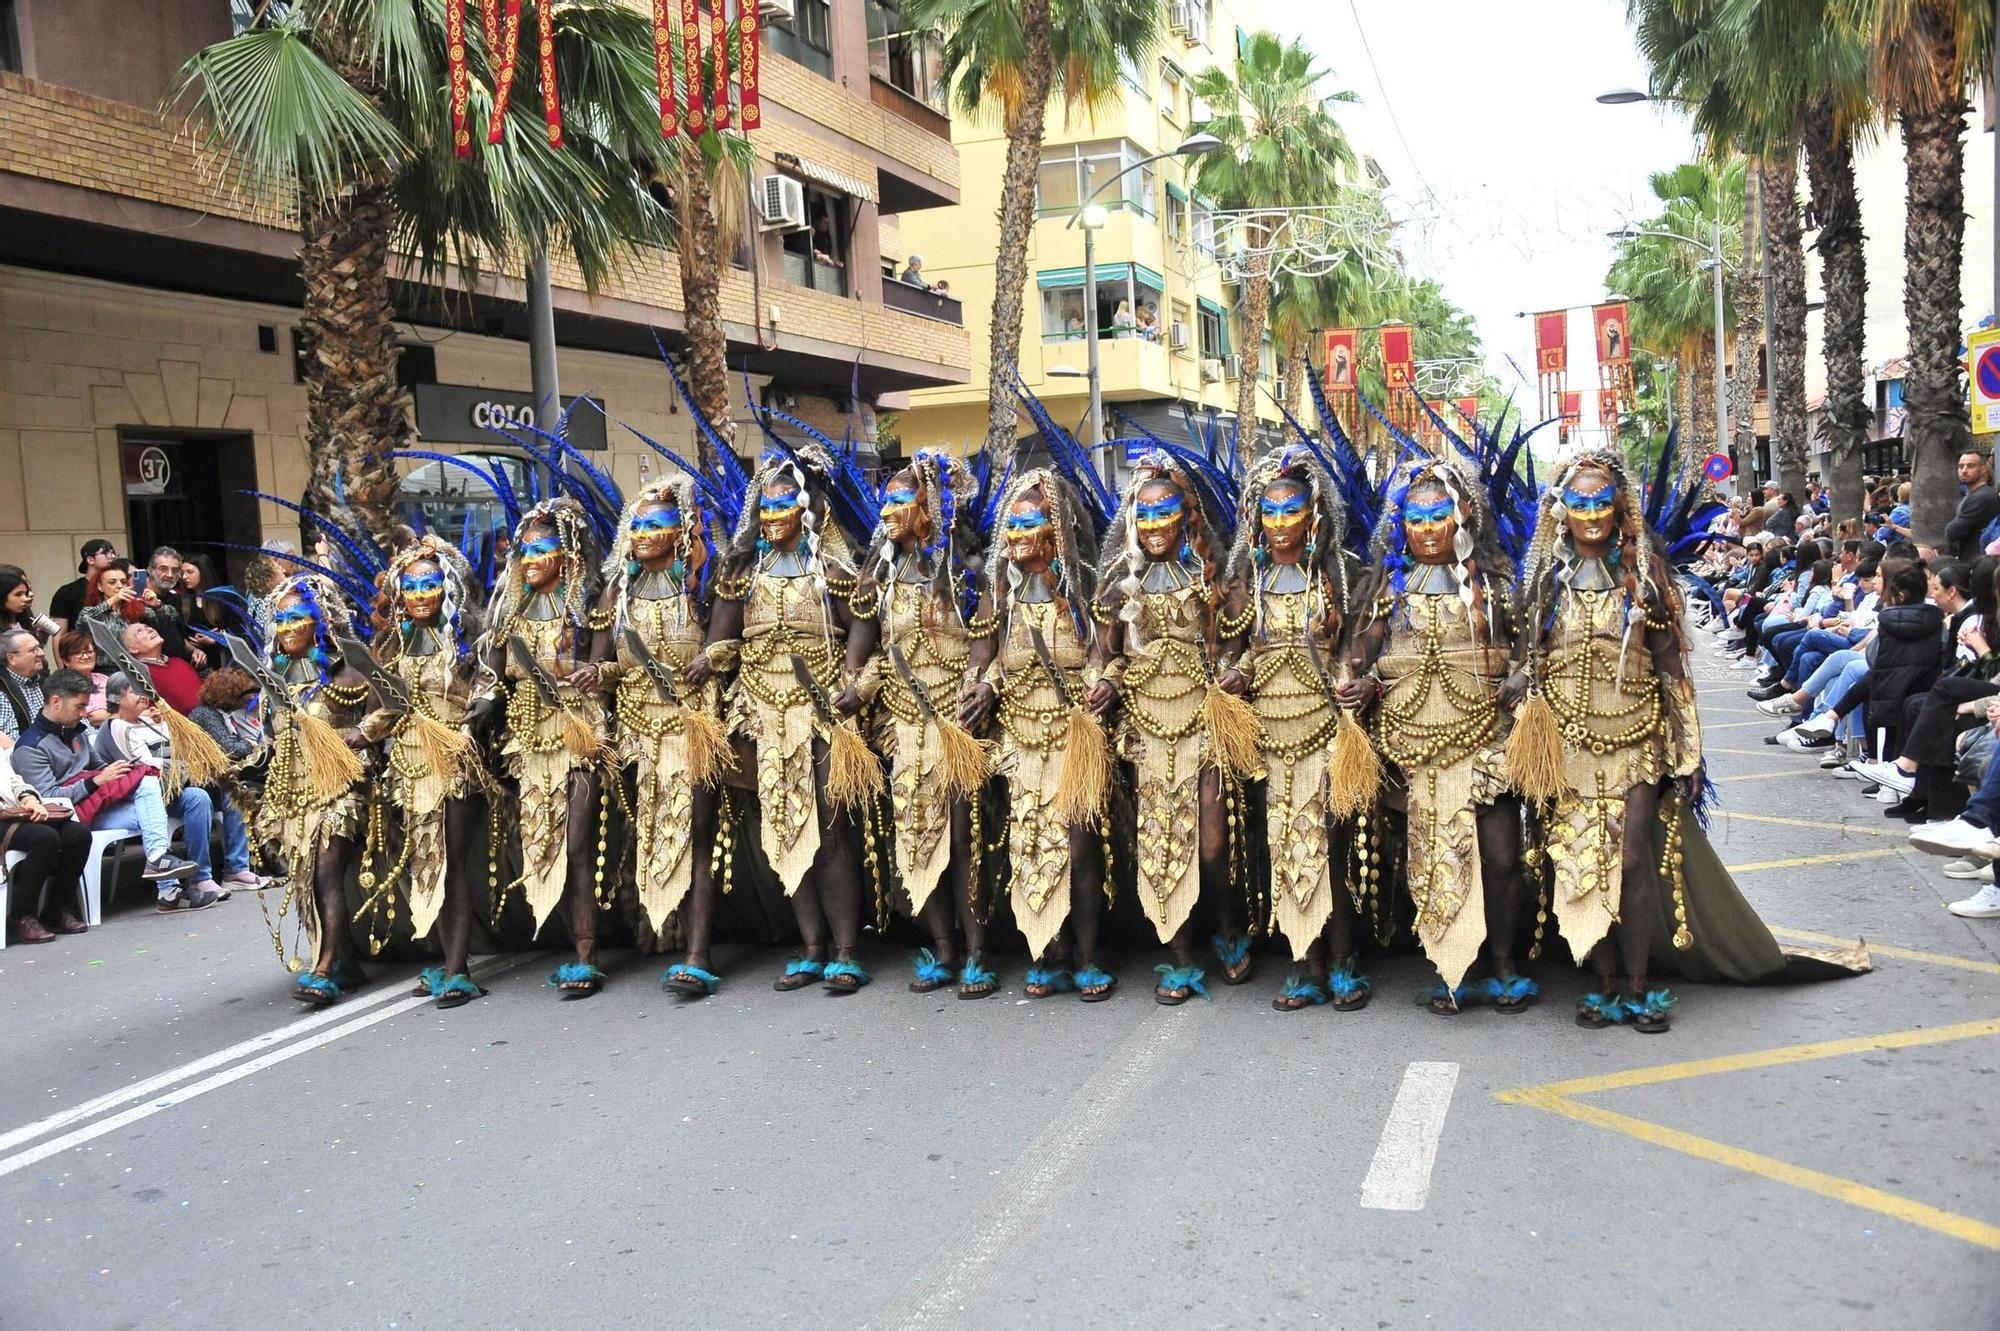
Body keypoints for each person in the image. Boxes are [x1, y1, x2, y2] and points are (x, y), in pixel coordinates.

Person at [1513, 450, 1704, 1032]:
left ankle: (1641, 985)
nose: (1591, 513)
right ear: (1561, 511)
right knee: (1580, 862)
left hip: (1635, 735)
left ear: (1620, 506)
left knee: (1632, 861)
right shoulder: (1547, 579)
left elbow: (1671, 662)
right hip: (1566, 742)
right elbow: (1531, 658)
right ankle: (1604, 984)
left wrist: (1690, 745)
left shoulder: (1643, 576)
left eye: (1601, 501)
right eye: (1579, 502)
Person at [1343, 456, 1531, 1014]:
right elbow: (1365, 654)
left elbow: (1530, 646)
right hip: (1414, 744)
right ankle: (1453, 968)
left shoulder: (1496, 584)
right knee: (1430, 857)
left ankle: (1505, 965)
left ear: (1464, 514)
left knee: (1500, 856)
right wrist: (1365, 680)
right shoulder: (1387, 588)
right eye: (1415, 518)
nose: (1427, 529)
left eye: (1439, 515)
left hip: (1485, 738)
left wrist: (1524, 674)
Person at [702, 448, 877, 993]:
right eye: (766, 506)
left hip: (820, 712)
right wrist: (705, 660)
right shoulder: (742, 571)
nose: (774, 515)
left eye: (785, 504)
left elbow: (862, 630)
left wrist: (851, 682)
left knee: (828, 829)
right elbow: (722, 638)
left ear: (810, 507)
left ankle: (847, 949)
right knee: (781, 825)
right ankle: (811, 948)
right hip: (760, 713)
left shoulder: (833, 566)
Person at [1093, 451, 1261, 1004]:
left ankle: (1228, 925)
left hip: (1204, 724)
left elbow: (1243, 647)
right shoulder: (1121, 585)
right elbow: (1109, 657)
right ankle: (1180, 956)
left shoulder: (1212, 577)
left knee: (1211, 843)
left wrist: (1236, 673)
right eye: (1143, 514)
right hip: (1147, 729)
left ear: (1185, 514)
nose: (1153, 524)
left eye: (1164, 511)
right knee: (1161, 843)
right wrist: (1108, 684)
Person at [1217, 446, 1370, 1011]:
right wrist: (1233, 676)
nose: (1280, 524)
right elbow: (1236, 650)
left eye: (1291, 511)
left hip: (1328, 732)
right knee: (1283, 846)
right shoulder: (1247, 581)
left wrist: (1354, 681)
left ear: (1313, 514)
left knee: (1330, 846)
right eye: (1270, 512)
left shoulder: (1340, 578)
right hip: (1271, 737)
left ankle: (1342, 961)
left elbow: (1355, 649)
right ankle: (1301, 963)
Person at [958, 469, 1116, 1000]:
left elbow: (1104, 656)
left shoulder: (1084, 586)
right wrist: (984, 688)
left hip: (1074, 736)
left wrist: (1100, 688)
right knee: (1029, 844)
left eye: (1030, 522)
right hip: (1021, 737)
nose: (1017, 534)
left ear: (1056, 529)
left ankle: (1089, 955)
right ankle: (1049, 952)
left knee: (1078, 846)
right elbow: (986, 661)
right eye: (1012, 523)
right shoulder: (998, 594)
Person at [852, 451, 995, 998]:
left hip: (955, 725)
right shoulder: (881, 573)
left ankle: (978, 953)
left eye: (897, 500)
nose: (885, 509)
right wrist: (856, 688)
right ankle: (943, 949)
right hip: (903, 726)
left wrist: (980, 689)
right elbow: (866, 649)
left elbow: (984, 648)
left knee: (962, 839)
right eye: (883, 499)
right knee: (916, 838)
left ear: (929, 506)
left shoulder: (966, 573)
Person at [598, 478, 731, 997]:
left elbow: (727, 639)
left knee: (696, 834)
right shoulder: (618, 591)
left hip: (692, 722)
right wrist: (597, 674)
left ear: (681, 532)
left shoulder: (701, 582)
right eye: (638, 525)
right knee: (651, 830)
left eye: (655, 524)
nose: (643, 533)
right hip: (636, 731)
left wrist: (711, 657)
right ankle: (661, 929)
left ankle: (699, 952)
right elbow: (606, 661)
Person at [477, 498, 613, 997]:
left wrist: (588, 671)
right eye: (523, 550)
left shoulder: (587, 609)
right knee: (544, 845)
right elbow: (490, 677)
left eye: (542, 549)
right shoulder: (508, 614)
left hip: (579, 736)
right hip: (528, 746)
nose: (529, 559)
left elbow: (607, 667)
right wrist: (482, 701)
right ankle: (567, 940)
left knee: (577, 844)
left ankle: (585, 952)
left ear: (568, 553)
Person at [363, 537, 491, 1009]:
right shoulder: (394, 644)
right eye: (411, 586)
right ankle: (445, 959)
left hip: (456, 763)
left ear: (448, 587)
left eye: (430, 584)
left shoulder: (467, 640)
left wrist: (469, 720)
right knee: (426, 865)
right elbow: (387, 710)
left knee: (452, 865)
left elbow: (488, 691)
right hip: (409, 768)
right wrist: (361, 733)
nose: (420, 594)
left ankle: (459, 969)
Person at [255, 575, 374, 1004]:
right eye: (280, 619)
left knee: (326, 874)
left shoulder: (346, 673)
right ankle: (344, 961)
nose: (287, 628)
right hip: (293, 795)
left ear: (320, 622)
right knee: (306, 879)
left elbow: (389, 710)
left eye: (297, 618)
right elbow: (273, 742)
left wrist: (360, 732)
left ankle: (322, 968)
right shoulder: (275, 680)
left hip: (339, 791)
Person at [9, 669, 205, 902]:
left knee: (150, 793)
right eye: (79, 707)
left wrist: (116, 771)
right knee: (149, 794)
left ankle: (166, 881)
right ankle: (166, 882)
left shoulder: (74, 730)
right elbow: (49, 797)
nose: (84, 714)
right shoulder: (30, 747)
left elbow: (99, 765)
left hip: (100, 804)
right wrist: (95, 781)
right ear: (56, 702)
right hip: (71, 817)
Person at [91, 671, 257, 903]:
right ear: (116, 698)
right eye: (134, 691)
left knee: (231, 791)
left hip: (173, 787)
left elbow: (183, 750)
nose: (142, 695)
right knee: (199, 796)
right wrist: (192, 770)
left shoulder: (149, 722)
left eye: (143, 689)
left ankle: (235, 870)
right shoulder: (116, 727)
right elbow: (146, 766)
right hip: (142, 796)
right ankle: (200, 877)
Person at [1, 748, 92, 945]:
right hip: (4, 817)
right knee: (44, 838)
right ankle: (21, 914)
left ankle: (57, 908)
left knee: (79, 835)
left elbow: (13, 780)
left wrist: (29, 800)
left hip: (15, 811)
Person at [121, 620, 201, 716]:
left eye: (147, 626)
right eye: (139, 631)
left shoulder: (178, 662)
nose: (150, 629)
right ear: (133, 649)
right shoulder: (138, 677)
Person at [48, 539, 117, 629]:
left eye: (113, 553)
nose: (112, 556)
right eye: (106, 553)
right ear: (90, 560)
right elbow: (59, 635)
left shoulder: (119, 589)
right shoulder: (68, 592)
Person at [1946, 451, 2000, 560]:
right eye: (1961, 466)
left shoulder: (1981, 497)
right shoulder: (1974, 495)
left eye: (1970, 466)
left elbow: (1952, 532)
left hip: (1976, 562)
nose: (1964, 471)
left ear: (1983, 469)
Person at [0, 627, 47, 750]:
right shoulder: (2, 688)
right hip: (29, 757)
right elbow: (11, 740)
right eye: (33, 650)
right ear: (11, 659)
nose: (41, 653)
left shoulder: (46, 680)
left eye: (39, 647)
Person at [53, 629, 109, 726]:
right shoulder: (62, 685)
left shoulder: (103, 679)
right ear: (65, 660)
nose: (86, 656)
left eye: (90, 652)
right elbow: (95, 718)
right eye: (78, 653)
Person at [0, 565, 57, 645]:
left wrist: (42, 635)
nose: (26, 598)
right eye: (18, 594)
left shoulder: (24, 618)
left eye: (26, 592)